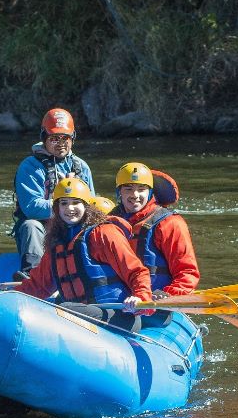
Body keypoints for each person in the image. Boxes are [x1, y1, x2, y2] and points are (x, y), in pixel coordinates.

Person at [14, 177, 152, 332]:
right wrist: (10, 299)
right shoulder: (57, 243)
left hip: (118, 316)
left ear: (86, 206)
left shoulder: (104, 233)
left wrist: (141, 297)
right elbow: (38, 285)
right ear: (56, 208)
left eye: (75, 202)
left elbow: (137, 271)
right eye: (64, 203)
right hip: (78, 314)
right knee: (57, 305)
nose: (69, 208)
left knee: (61, 309)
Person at [11, 107, 94, 279]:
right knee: (30, 225)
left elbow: (91, 204)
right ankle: (32, 275)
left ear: (73, 139)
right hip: (43, 229)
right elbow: (32, 208)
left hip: (74, 226)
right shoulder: (30, 167)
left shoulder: (81, 167)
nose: (61, 143)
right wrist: (64, 201)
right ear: (44, 138)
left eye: (66, 138)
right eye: (55, 138)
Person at [110, 162, 200, 298]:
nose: (135, 195)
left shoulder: (170, 223)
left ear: (150, 192)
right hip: (121, 302)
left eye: (141, 189)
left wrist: (167, 296)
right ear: (119, 192)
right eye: (128, 189)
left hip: (158, 301)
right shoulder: (109, 223)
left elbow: (187, 272)